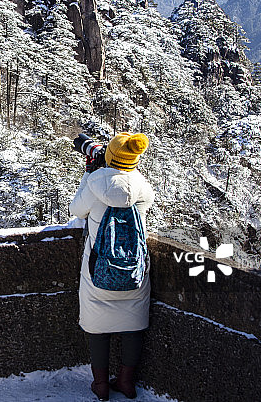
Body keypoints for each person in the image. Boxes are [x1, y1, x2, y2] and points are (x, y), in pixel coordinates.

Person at [70, 132, 155, 401]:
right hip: (134, 270)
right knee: (132, 325)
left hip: (99, 270)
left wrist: (89, 173)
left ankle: (101, 385)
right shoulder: (143, 187)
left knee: (98, 327)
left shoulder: (95, 184)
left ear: (109, 156)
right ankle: (127, 383)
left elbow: (76, 209)